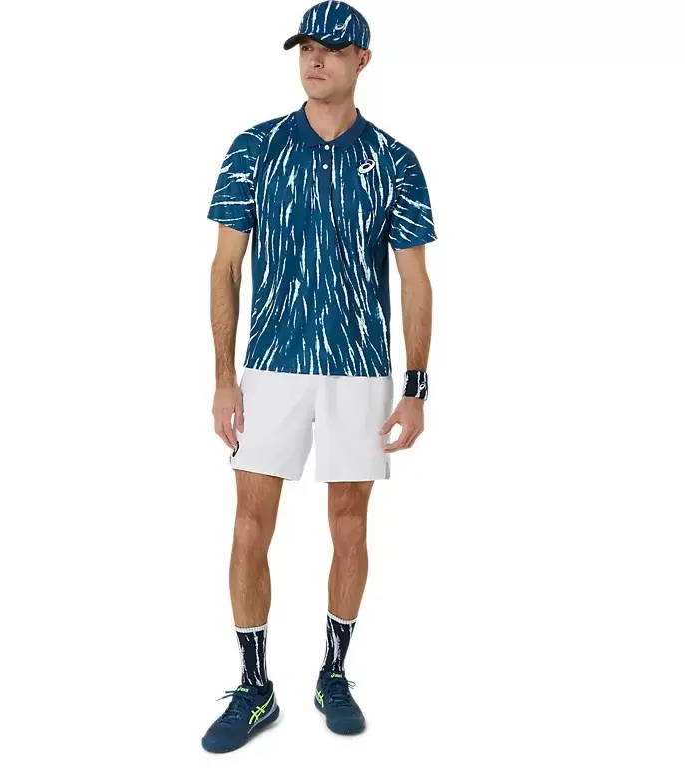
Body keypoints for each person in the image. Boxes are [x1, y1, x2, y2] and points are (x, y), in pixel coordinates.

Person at [201, 0, 436, 753]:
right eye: (306, 47)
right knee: (249, 524)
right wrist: (224, 379)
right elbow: (225, 268)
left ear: (362, 60)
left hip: (358, 367)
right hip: (271, 364)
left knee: (350, 523)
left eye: (332, 49)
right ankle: (254, 686)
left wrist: (416, 386)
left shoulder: (395, 161)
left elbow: (415, 280)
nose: (316, 59)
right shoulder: (255, 147)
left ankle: (334, 672)